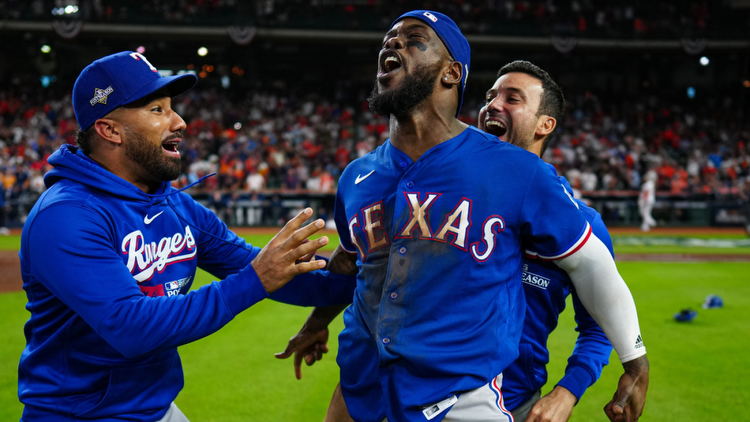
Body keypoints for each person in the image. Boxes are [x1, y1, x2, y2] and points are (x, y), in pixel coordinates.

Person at [277, 11, 647, 422]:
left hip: (461, 400)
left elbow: (594, 268)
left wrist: (634, 362)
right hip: (361, 390)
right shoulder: (356, 176)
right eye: (390, 37)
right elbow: (351, 264)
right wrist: (317, 321)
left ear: (452, 73)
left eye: (414, 39)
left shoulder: (519, 172)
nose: (393, 43)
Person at [17, 51, 356, 422]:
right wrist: (256, 279)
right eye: (157, 110)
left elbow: (278, 274)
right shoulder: (67, 216)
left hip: (155, 408)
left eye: (171, 107)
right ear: (109, 130)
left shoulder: (173, 204)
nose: (179, 121)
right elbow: (131, 327)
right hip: (81, 416)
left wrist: (363, 275)